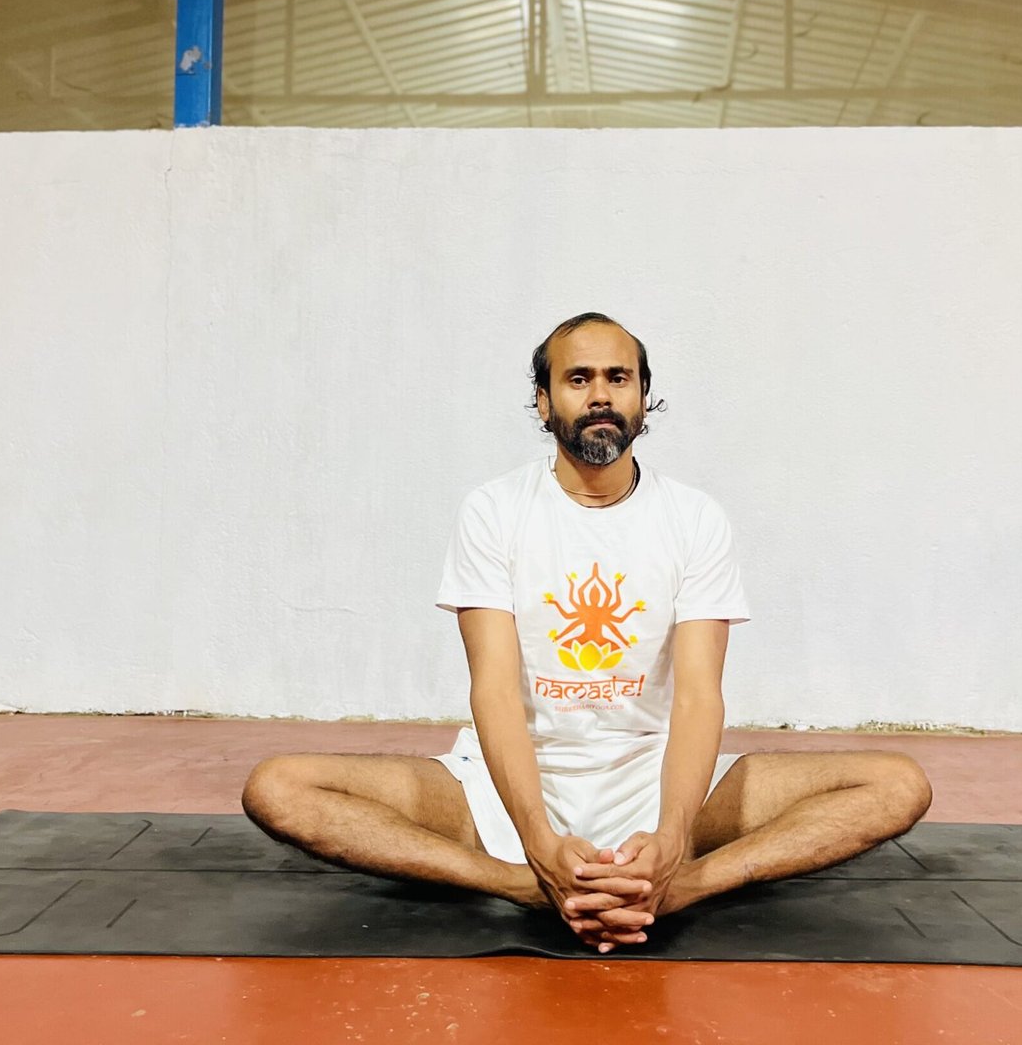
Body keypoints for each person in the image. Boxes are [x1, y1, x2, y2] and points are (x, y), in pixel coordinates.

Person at [242, 312, 932, 952]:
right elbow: (494, 692)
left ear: (642, 399)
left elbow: (697, 698)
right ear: (544, 402)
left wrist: (671, 841)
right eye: (578, 378)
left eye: (617, 378)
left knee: (897, 784)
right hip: (507, 788)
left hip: (652, 774)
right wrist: (536, 846)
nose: (600, 394)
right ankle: (519, 885)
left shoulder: (695, 518)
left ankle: (680, 887)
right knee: (278, 787)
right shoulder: (495, 510)